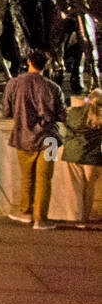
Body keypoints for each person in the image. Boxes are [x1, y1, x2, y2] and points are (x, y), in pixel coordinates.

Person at [1, 49, 66, 228]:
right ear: (46, 66)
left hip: (23, 136)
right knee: (45, 179)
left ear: (29, 62)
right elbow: (62, 115)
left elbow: (6, 111)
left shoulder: (13, 84)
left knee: (26, 177)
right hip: (50, 139)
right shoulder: (54, 87)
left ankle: (25, 212)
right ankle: (41, 219)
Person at [59, 88, 102, 228]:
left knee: (77, 187)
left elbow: (65, 122)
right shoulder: (99, 118)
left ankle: (75, 216)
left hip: (73, 153)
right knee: (89, 189)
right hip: (91, 157)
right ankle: (84, 219)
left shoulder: (75, 112)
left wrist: (86, 100)